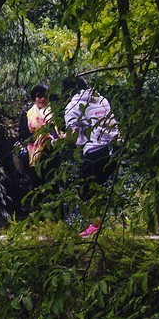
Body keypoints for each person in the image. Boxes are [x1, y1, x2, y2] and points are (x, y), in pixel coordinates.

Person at [63, 75, 120, 237]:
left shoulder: (74, 104)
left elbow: (73, 137)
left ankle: (95, 225)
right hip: (115, 150)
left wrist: (58, 139)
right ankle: (101, 224)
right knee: (98, 188)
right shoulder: (102, 99)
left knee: (84, 187)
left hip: (96, 150)